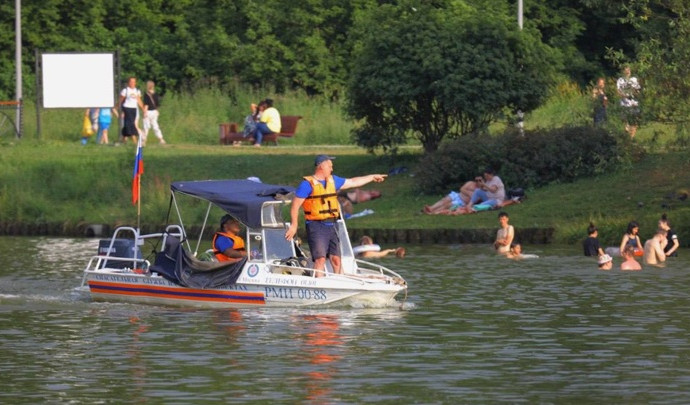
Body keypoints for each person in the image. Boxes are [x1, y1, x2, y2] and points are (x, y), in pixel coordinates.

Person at [284, 155, 387, 277]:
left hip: (332, 225)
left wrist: (372, 177)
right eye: (330, 166)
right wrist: (294, 225)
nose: (332, 169)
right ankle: (319, 285)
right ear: (321, 166)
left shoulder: (333, 181)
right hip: (316, 226)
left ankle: (339, 282)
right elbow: (295, 206)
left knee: (336, 260)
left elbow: (353, 181)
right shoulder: (307, 185)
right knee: (320, 259)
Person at [616, 66, 641, 138]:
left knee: (634, 121)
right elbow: (618, 91)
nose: (627, 71)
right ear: (623, 71)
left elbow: (638, 90)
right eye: (626, 70)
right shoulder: (620, 80)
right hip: (624, 103)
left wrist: (634, 93)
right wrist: (624, 95)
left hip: (633, 103)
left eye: (629, 70)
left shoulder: (634, 79)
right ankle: (626, 131)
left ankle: (631, 138)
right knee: (625, 120)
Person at [118, 77, 145, 144]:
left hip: (134, 108)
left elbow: (139, 100)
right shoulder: (125, 90)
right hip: (127, 107)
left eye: (134, 82)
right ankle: (134, 139)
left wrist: (143, 109)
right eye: (131, 81)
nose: (132, 83)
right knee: (131, 123)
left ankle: (123, 139)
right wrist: (116, 107)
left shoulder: (137, 91)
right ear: (128, 82)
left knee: (127, 123)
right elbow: (121, 100)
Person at [142, 80, 166, 146]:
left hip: (148, 111)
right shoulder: (155, 94)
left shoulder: (146, 94)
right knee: (155, 125)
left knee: (146, 126)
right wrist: (157, 111)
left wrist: (144, 112)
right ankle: (161, 139)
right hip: (155, 112)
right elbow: (157, 104)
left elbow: (146, 104)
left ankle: (144, 141)